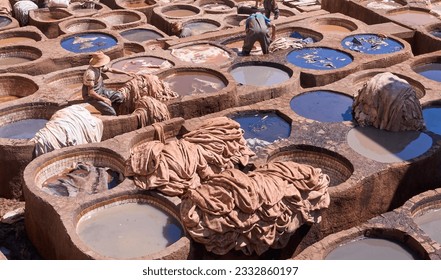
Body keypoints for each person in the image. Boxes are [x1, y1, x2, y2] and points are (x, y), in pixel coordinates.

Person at [82, 52, 128, 116]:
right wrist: (104, 99)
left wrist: (126, 73)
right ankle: (107, 114)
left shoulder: (100, 67)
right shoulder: (90, 73)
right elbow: (91, 92)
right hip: (92, 97)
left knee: (119, 97)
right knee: (111, 113)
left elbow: (111, 70)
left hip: (101, 90)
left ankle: (112, 108)